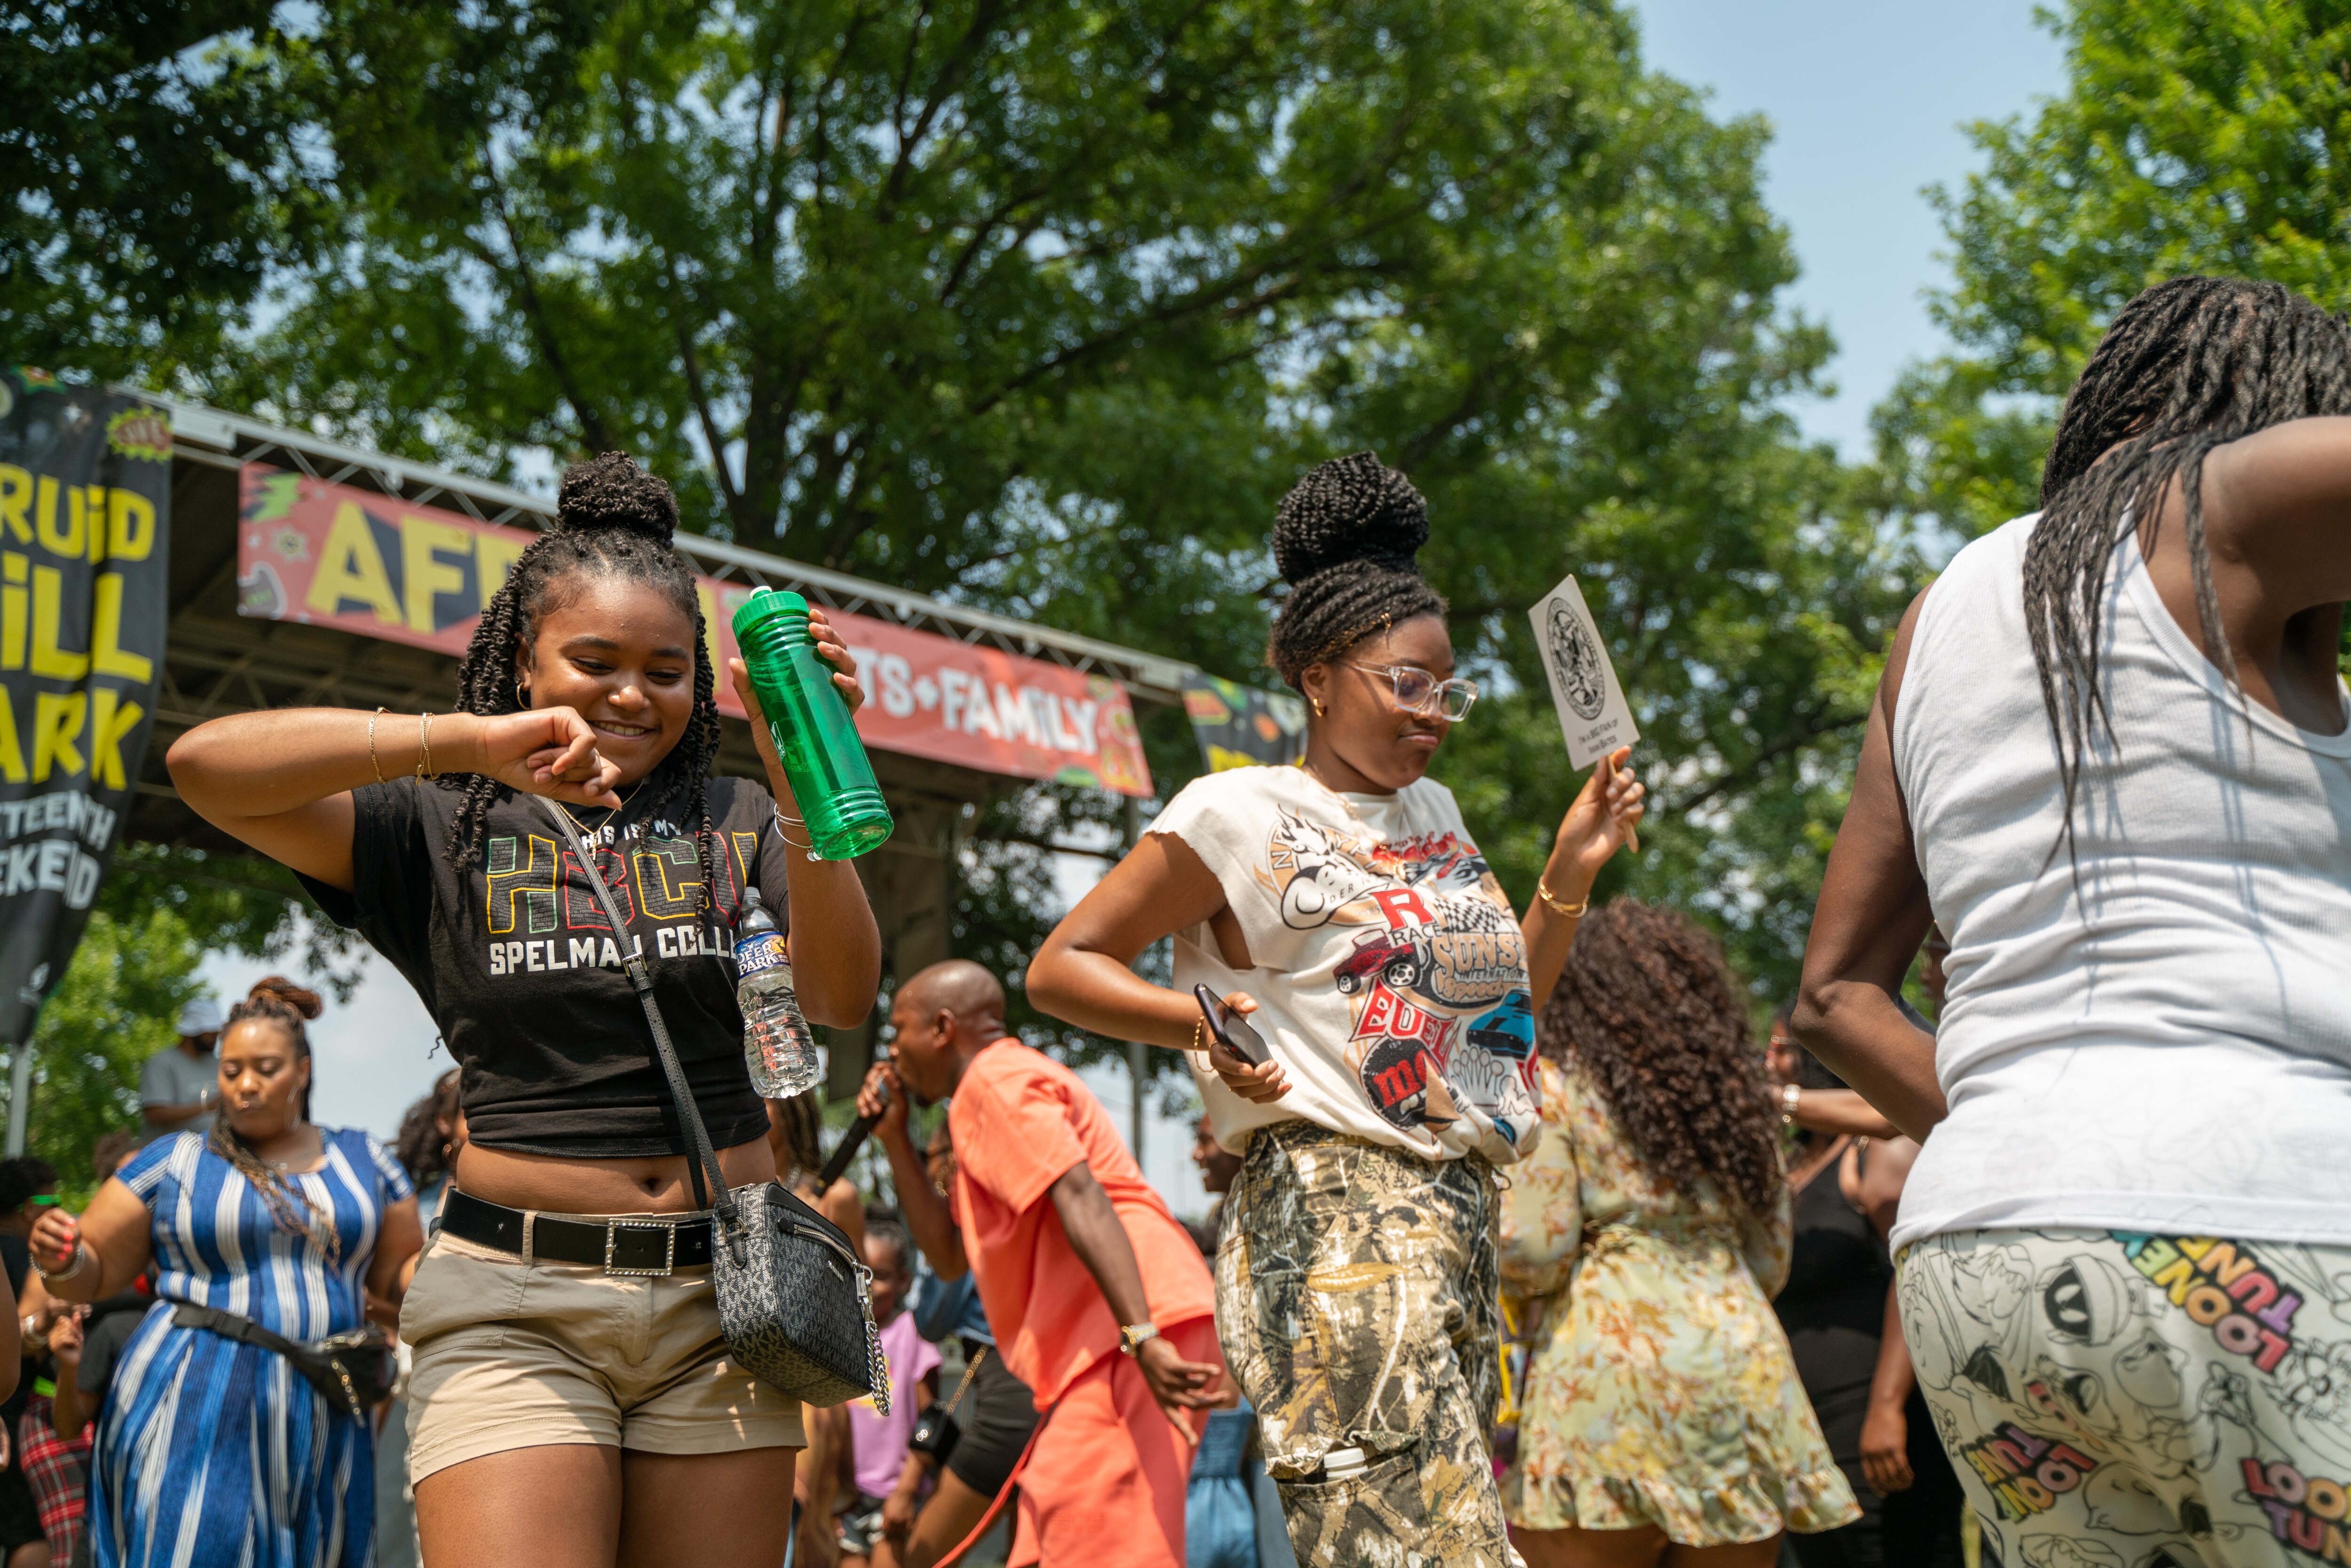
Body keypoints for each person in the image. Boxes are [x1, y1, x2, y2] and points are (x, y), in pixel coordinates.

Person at [161, 452, 884, 1568]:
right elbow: (204, 765)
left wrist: (801, 774)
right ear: (522, 660)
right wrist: (468, 740)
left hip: (728, 1303)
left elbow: (838, 995)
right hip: (514, 1305)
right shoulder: (439, 823)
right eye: (594, 662)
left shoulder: (738, 813)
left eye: (667, 670)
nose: (631, 694)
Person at [1798, 275, 2351, 1567]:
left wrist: (2031, 1123)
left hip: (1985, 1259)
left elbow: (1833, 996)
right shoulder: (2219, 506)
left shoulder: (1938, 613)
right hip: (2255, 1220)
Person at [1024, 451, 1644, 1565]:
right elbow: (1061, 965)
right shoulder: (1235, 809)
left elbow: (1503, 1021)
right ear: (1318, 677)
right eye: (1406, 683)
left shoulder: (1436, 808)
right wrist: (1200, 1024)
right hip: (1332, 1220)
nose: (1433, 712)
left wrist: (1568, 870)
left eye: (1446, 689)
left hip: (1460, 1219)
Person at [1498, 901, 1855, 1567]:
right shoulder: (1735, 1098)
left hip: (1608, 1378)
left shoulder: (1557, 1085)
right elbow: (1770, 1261)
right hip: (1742, 1371)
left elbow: (1534, 1251)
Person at [27, 977, 425, 1568]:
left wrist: (464, 1259)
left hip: (322, 1407)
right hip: (194, 1401)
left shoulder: (365, 1160)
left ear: (303, 1070)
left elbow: (398, 1277)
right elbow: (95, 1270)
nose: (245, 1084)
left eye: (265, 1068)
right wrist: (62, 1258)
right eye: (231, 1070)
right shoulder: (177, 1160)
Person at [857, 960, 1223, 1568]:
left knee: (1099, 1541)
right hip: (1109, 1336)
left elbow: (1080, 1193)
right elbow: (949, 1256)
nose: (892, 1050)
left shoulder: (994, 1080)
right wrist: (896, 1138)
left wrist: (1143, 1333)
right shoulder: (983, 1096)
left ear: (942, 1027)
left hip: (1132, 1325)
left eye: (900, 1029)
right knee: (1053, 1527)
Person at [1767, 1009, 1964, 1568]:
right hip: (1803, 1417)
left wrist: (1885, 1406)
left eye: (1781, 1048)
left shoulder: (1869, 1145)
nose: (1768, 1060)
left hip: (1868, 1412)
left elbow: (1911, 1268)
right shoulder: (1794, 1161)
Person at [877, 1119, 1040, 1568]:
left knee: (916, 1557)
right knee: (1024, 1555)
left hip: (1007, 1403)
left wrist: (936, 1241)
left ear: (952, 1159)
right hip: (1042, 1396)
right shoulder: (1014, 1206)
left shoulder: (966, 1215)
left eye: (929, 1157)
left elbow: (931, 1320)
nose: (926, 1169)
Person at [837, 1221, 939, 1568]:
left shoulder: (912, 1333)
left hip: (895, 1499)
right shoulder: (837, 1337)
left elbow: (930, 1421)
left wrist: (907, 1490)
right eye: (860, 1272)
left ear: (904, 1281)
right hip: (847, 1502)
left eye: (879, 1275)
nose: (867, 1285)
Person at [0, 1162, 55, 1568]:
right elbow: (16, 1351)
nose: (57, 1208)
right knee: (28, 1532)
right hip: (14, 1412)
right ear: (29, 1207)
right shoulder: (32, 1259)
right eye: (52, 1198)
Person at [136, 1000, 221, 1143]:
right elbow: (156, 1115)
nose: (215, 1036)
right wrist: (208, 1105)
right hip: (169, 1154)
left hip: (213, 1152)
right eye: (210, 1031)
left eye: (217, 1031)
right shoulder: (162, 1064)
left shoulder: (219, 1065)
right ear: (192, 1031)